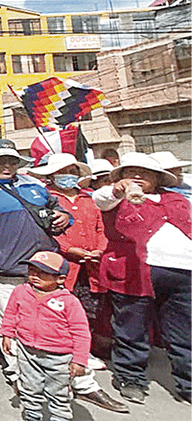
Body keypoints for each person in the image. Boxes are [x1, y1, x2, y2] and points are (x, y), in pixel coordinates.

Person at [0, 139, 71, 389]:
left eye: (11, 160)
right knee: (8, 323)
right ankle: (18, 373)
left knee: (53, 320)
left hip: (46, 270)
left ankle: (54, 370)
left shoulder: (35, 185)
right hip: (6, 273)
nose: (6, 165)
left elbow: (61, 211)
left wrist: (65, 218)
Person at [92, 152, 191, 404]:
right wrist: (118, 190)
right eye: (130, 172)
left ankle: (188, 383)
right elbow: (100, 199)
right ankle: (131, 378)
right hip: (133, 273)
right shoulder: (114, 197)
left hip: (183, 273)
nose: (138, 176)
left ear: (157, 178)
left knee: (184, 332)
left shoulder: (177, 199)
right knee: (131, 328)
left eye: (145, 173)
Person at [30, 154, 126, 412]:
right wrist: (72, 250)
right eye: (63, 170)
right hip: (64, 263)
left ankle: (84, 354)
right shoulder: (47, 198)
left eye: (72, 169)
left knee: (91, 309)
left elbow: (100, 228)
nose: (68, 174)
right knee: (63, 314)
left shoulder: (88, 198)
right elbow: (47, 231)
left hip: (92, 263)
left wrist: (99, 250)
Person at [0, 251, 91, 421]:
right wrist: (7, 333)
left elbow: (81, 331)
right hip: (27, 350)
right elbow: (11, 313)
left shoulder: (69, 302)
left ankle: (60, 417)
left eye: (42, 272)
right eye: (32, 270)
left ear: (60, 279)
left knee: (58, 391)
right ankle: (32, 414)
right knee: (29, 386)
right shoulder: (20, 291)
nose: (35, 275)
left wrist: (79, 360)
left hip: (59, 356)